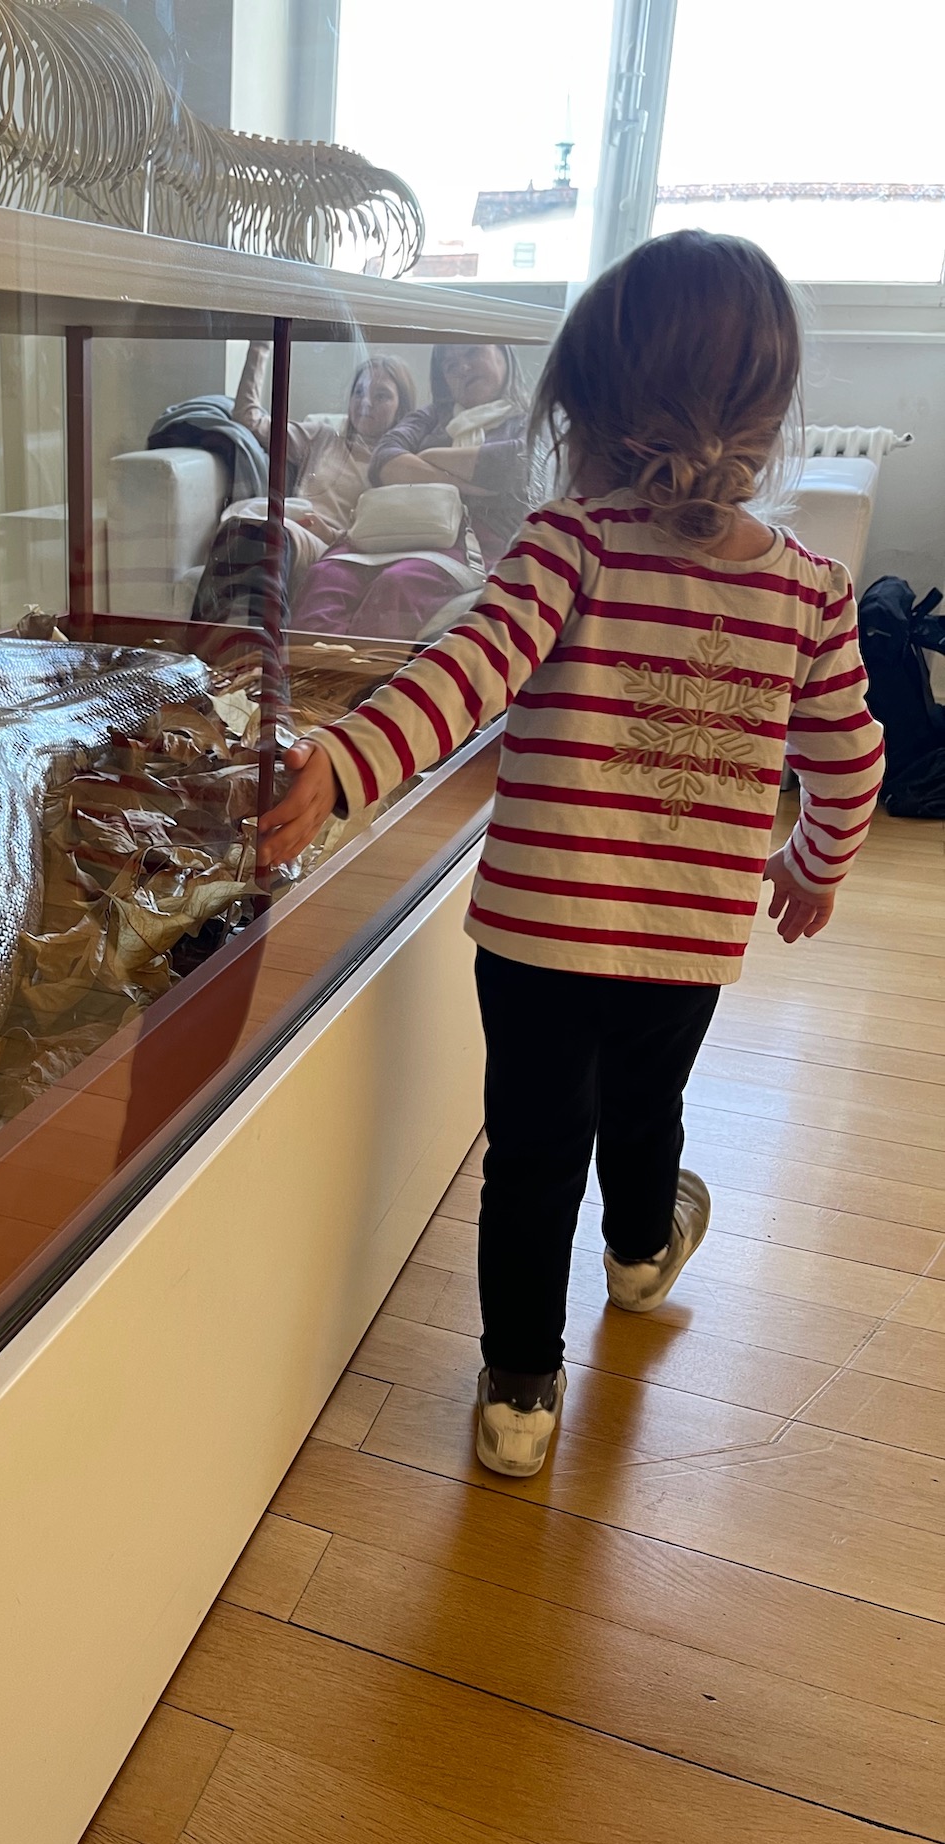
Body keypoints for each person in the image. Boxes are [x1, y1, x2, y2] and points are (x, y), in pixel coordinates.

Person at [258, 231, 883, 1479]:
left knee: (534, 1145)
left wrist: (348, 760)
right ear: (768, 410)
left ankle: (519, 1394)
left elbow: (467, 671)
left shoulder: (569, 542)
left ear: (582, 404)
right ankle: (644, 1256)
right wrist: (811, 864)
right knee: (647, 1107)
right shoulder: (811, 587)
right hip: (687, 938)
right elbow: (853, 757)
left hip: (540, 931)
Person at [289, 341, 529, 642]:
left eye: (472, 352)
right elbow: (384, 460)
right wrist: (472, 482)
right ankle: (308, 682)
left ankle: (362, 687)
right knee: (327, 576)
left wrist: (428, 457)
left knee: (398, 584)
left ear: (504, 353)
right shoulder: (431, 416)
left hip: (472, 541)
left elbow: (515, 464)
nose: (462, 368)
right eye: (450, 365)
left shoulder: (530, 419)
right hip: (396, 530)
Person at [191, 344, 416, 628]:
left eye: (381, 395)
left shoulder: (398, 463)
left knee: (271, 534)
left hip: (334, 549)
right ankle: (196, 650)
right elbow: (249, 418)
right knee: (239, 529)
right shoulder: (323, 435)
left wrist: (332, 533)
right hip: (290, 527)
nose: (366, 402)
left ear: (401, 407)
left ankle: (268, 651)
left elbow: (388, 538)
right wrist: (260, 346)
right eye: (359, 392)